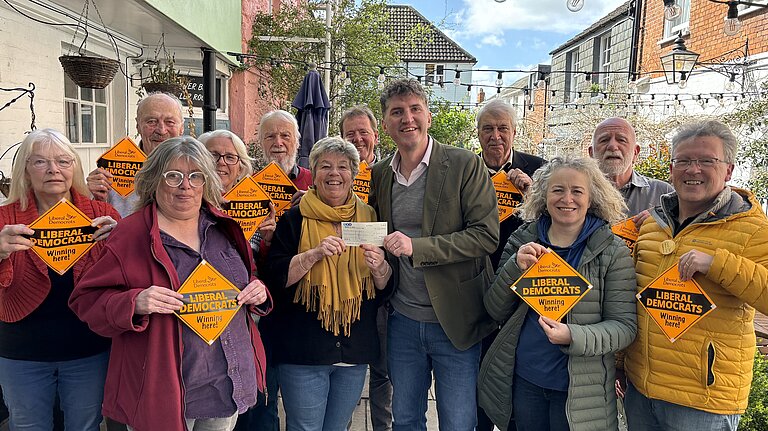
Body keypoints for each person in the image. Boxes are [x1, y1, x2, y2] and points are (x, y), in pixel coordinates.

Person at [70, 137, 272, 431]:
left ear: (207, 182)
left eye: (195, 176)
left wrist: (258, 290)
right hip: (162, 391)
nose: (185, 185)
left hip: (225, 381)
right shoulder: (130, 235)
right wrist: (134, 302)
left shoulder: (224, 228)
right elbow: (86, 301)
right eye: (173, 176)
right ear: (154, 181)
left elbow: (247, 276)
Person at [368, 78, 500, 430]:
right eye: (397, 112)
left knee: (458, 423)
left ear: (428, 115)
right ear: (386, 123)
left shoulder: (464, 164)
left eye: (414, 109)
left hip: (455, 320)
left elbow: (486, 236)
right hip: (403, 320)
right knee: (406, 420)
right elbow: (368, 225)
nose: (407, 118)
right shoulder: (380, 173)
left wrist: (418, 248)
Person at [623, 120, 768, 431]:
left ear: (728, 170)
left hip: (703, 402)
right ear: (672, 168)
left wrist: (718, 263)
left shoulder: (753, 228)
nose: (693, 170)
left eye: (706, 160)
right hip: (640, 389)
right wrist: (621, 362)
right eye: (684, 161)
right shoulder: (650, 225)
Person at [478, 155, 637, 431]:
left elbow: (624, 327)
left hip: (580, 392)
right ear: (543, 195)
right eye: (558, 190)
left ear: (592, 198)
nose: (567, 199)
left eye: (577, 191)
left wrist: (573, 336)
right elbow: (494, 309)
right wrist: (515, 266)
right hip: (526, 382)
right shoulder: (522, 240)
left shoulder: (613, 251)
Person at [264, 136, 392, 430]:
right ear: (315, 173)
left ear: (354, 174)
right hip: (303, 351)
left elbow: (385, 287)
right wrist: (311, 256)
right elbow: (275, 277)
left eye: (343, 167)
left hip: (354, 351)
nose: (335, 174)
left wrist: (380, 267)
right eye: (325, 166)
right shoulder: (294, 219)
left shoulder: (371, 218)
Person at [0, 128, 119, 430]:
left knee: (85, 424)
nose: (53, 169)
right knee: (26, 425)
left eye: (63, 161)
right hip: (22, 350)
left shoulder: (103, 215)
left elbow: (123, 277)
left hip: (88, 347)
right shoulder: (5, 220)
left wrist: (118, 243)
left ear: (74, 168)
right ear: (25, 169)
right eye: (40, 162)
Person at [237, 111, 315, 431]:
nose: (278, 143)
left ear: (297, 141)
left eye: (285, 136)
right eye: (270, 136)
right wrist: (262, 239)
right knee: (263, 394)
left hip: (305, 302)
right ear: (259, 142)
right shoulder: (247, 187)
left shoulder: (314, 180)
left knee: (303, 396)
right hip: (262, 301)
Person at [474, 99, 547, 431]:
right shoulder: (466, 170)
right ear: (477, 134)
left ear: (514, 132)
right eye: (488, 128)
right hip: (477, 288)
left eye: (503, 128)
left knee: (519, 387)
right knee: (480, 381)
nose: (495, 136)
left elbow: (558, 223)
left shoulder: (540, 169)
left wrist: (532, 193)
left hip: (525, 292)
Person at [340, 104, 392, 431]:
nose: (358, 139)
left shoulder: (388, 173)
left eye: (363, 133)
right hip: (346, 285)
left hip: (385, 282)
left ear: (376, 135)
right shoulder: (334, 175)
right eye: (350, 134)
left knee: (385, 371)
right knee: (346, 367)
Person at [87, 92, 185, 217]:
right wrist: (94, 199)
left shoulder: (196, 170)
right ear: (138, 125)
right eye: (151, 121)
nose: (161, 130)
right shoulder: (112, 172)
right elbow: (96, 224)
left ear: (181, 127)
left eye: (170, 122)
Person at [589, 117, 672, 224]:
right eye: (604, 140)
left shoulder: (662, 193)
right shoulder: (575, 194)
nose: (612, 146)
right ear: (591, 153)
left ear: (635, 152)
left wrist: (661, 219)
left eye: (621, 140)